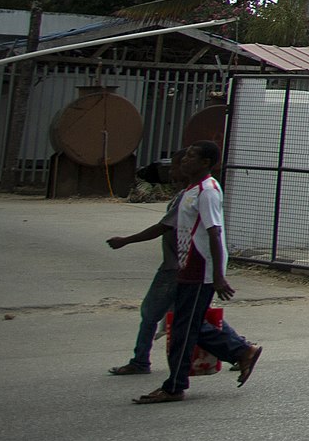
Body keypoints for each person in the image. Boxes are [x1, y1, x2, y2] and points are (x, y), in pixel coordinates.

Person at [133, 141, 260, 404]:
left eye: (191, 156)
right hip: (186, 266)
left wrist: (217, 276)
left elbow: (214, 232)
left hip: (200, 269)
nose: (184, 160)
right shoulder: (191, 190)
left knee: (183, 330)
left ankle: (175, 386)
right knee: (186, 325)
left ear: (205, 163)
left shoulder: (207, 191)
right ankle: (241, 351)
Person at [106, 156, 177, 376]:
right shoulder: (195, 193)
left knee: (151, 313)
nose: (171, 172)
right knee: (191, 316)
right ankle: (240, 350)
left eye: (176, 167)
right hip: (185, 265)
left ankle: (140, 360)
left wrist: (126, 240)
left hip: (176, 267)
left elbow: (161, 228)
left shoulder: (192, 195)